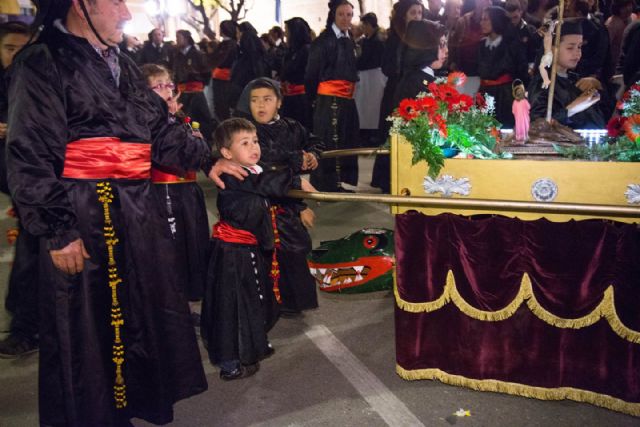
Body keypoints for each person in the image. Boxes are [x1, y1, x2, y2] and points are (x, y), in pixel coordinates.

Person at [6, 1, 246, 425]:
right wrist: (58, 230)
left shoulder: (124, 63)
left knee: (138, 313)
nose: (126, 12)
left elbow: (159, 129)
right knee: (84, 326)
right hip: (80, 213)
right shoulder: (41, 62)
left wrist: (209, 158)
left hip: (135, 211)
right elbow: (29, 152)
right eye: (116, 1)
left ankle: (128, 406)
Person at [200, 118, 313, 380]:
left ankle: (254, 345)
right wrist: (295, 165)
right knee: (232, 307)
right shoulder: (234, 175)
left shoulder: (253, 171)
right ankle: (229, 360)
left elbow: (272, 179)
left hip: (250, 250)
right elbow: (271, 183)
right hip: (231, 255)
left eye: (255, 141)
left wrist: (297, 182)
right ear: (227, 154)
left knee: (256, 300)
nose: (254, 147)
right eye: (245, 143)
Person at [242, 77, 322, 317]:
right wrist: (299, 204)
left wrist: (313, 155)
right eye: (254, 100)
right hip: (264, 203)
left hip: (288, 200)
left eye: (267, 99)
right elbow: (268, 161)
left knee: (295, 251)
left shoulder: (292, 126)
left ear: (279, 102)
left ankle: (291, 302)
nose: (260, 105)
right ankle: (269, 303)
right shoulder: (248, 132)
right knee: (268, 253)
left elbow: (314, 141)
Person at [142, 63, 210, 320]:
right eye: (158, 86)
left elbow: (200, 148)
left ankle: (189, 304)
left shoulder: (182, 118)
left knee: (194, 247)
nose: (167, 91)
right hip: (164, 192)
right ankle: (174, 308)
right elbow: (177, 154)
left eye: (168, 84)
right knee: (173, 251)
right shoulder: (151, 121)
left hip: (189, 192)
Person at [0, 20, 39, 359]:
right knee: (30, 253)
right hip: (17, 179)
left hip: (41, 181)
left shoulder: (37, 79)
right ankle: (24, 327)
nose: (15, 55)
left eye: (21, 49)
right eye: (9, 48)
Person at [305, 0, 360, 192]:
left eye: (349, 15)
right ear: (333, 16)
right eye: (341, 14)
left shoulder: (349, 39)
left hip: (347, 100)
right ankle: (326, 183)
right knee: (329, 140)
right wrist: (313, 99)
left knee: (346, 138)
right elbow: (311, 74)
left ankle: (339, 182)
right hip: (329, 101)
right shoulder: (323, 41)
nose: (346, 19)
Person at [372, 0, 424, 193]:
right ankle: (388, 178)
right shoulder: (395, 39)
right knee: (394, 133)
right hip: (397, 90)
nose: (417, 17)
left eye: (420, 13)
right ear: (404, 16)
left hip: (413, 89)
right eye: (413, 13)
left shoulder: (421, 38)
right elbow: (387, 67)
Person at [528, 18, 605, 128]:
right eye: (570, 48)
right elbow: (538, 126)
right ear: (552, 49)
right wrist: (573, 108)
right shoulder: (543, 83)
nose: (577, 53)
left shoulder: (575, 80)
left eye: (579, 47)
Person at [477, 6, 527, 127]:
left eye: (486, 19)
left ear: (496, 20)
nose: (481, 23)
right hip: (484, 91)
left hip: (504, 95)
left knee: (503, 126)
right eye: (481, 19)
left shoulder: (512, 44)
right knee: (482, 128)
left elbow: (521, 71)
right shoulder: (481, 44)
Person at [172, 29, 216, 143]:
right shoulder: (176, 55)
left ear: (186, 39)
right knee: (185, 118)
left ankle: (206, 140)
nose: (177, 40)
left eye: (179, 38)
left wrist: (200, 84)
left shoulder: (198, 54)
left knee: (201, 117)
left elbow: (207, 73)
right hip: (182, 93)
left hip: (196, 92)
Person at [392, 19, 448, 106]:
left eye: (445, 44)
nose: (446, 50)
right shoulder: (414, 84)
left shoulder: (421, 76)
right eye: (441, 45)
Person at [355, 13, 386, 148]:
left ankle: (372, 133)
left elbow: (367, 60)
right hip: (369, 77)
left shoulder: (376, 41)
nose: (363, 29)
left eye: (364, 25)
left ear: (368, 25)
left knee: (372, 106)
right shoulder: (370, 39)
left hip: (373, 77)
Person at [281, 17, 314, 130]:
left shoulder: (306, 50)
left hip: (301, 98)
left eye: (287, 30)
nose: (285, 33)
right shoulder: (292, 50)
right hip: (290, 96)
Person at [230, 22, 269, 112]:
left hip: (245, 100)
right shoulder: (261, 56)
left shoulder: (245, 59)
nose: (237, 36)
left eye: (238, 33)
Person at [210, 20, 239, 121]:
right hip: (221, 79)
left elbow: (219, 60)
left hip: (225, 80)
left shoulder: (230, 44)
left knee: (223, 106)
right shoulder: (227, 44)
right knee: (221, 106)